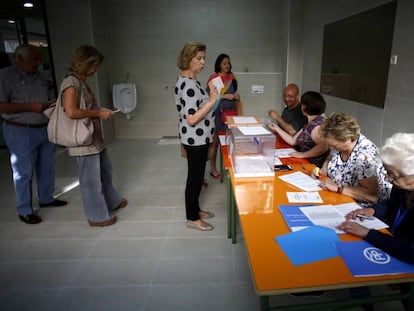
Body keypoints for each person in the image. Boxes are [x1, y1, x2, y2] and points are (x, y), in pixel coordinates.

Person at [0, 43, 67, 224]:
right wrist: (31, 107)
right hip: (19, 130)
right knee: (23, 172)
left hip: (44, 128)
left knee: (47, 166)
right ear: (19, 59)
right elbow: (1, 105)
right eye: (34, 59)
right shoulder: (5, 76)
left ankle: (46, 198)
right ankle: (25, 210)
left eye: (39, 59)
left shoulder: (40, 76)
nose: (38, 62)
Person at [61, 45, 127, 227]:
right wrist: (98, 113)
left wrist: (99, 113)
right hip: (83, 140)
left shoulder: (81, 81)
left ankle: (111, 201)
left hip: (93, 137)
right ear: (83, 63)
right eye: (93, 65)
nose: (95, 70)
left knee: (105, 170)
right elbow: (71, 112)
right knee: (90, 180)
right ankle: (97, 216)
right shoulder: (71, 83)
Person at [337, 133, 414, 264]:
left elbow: (411, 251)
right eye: (387, 172)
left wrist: (368, 233)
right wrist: (373, 210)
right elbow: (390, 203)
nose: (387, 179)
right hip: (390, 245)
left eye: (393, 175)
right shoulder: (403, 188)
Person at [175, 42, 219, 231]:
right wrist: (212, 99)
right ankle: (192, 217)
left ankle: (195, 209)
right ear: (188, 59)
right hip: (196, 139)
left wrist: (210, 95)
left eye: (204, 58)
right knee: (194, 178)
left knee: (197, 176)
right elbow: (192, 118)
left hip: (196, 138)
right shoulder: (189, 85)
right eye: (199, 58)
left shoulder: (190, 81)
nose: (203, 62)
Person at [317, 112, 392, 209]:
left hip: (364, 207)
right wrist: (324, 168)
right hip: (338, 196)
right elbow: (331, 155)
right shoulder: (339, 145)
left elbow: (371, 195)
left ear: (347, 139)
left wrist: (338, 188)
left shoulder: (364, 156)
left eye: (334, 145)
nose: (332, 147)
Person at [267, 91, 329, 167]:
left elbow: (323, 147)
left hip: (313, 165)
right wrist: (276, 128)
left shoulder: (316, 125)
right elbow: (293, 141)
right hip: (304, 161)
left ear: (305, 106)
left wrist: (303, 155)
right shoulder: (309, 122)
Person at [207, 53, 240, 179]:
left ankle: (229, 166)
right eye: (224, 63)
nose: (227, 65)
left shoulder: (233, 78)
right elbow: (211, 99)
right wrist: (225, 96)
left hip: (231, 114)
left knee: (230, 141)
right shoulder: (214, 78)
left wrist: (236, 97)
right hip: (217, 114)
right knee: (215, 142)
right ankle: (213, 169)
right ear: (219, 64)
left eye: (228, 63)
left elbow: (235, 94)